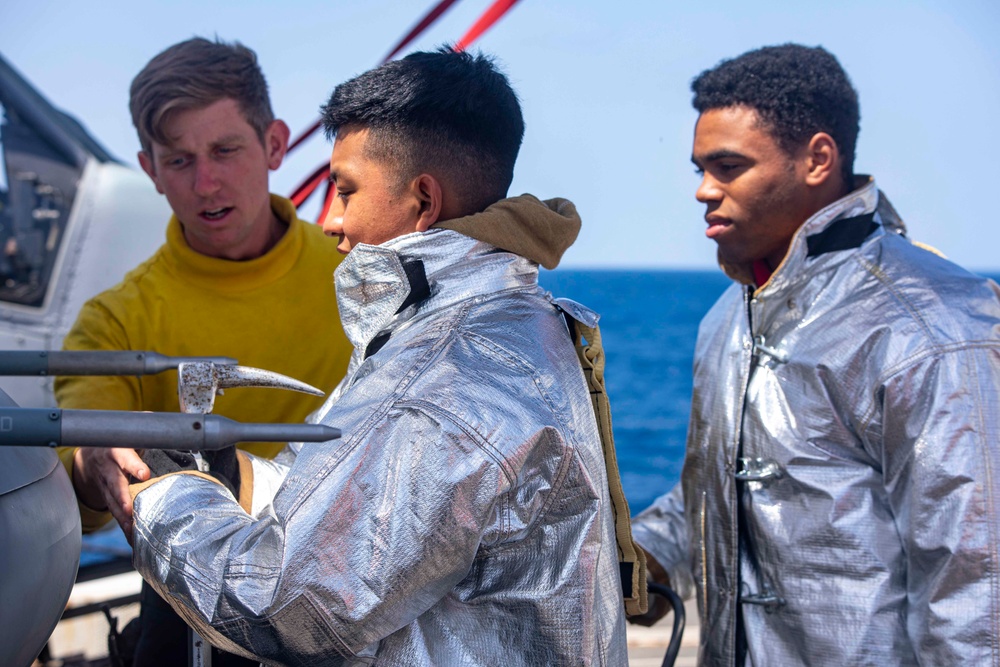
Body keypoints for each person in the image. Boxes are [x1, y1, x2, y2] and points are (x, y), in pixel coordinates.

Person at [126, 48, 630, 666]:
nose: (330, 220)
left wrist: (166, 500)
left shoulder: (446, 375)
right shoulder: (497, 324)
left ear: (423, 200)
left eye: (345, 190)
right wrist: (235, 479)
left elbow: (291, 609)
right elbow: (356, 505)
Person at [631, 43, 1000, 665]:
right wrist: (629, 565)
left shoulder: (932, 325)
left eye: (727, 166)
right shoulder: (730, 315)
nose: (702, 190)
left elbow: (976, 585)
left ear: (818, 159)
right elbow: (713, 497)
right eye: (700, 167)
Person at [54, 38, 353, 666]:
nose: (206, 181)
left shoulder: (362, 280)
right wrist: (97, 455)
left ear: (274, 143)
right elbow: (78, 463)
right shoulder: (113, 322)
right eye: (179, 160)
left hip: (361, 582)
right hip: (191, 605)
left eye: (225, 150)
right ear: (149, 169)